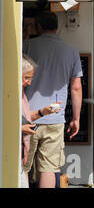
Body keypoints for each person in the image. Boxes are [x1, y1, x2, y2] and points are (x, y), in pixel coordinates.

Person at [23, 11, 83, 188]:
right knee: (48, 168)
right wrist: (76, 118)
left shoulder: (26, 46)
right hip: (54, 118)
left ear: (39, 26)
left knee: (23, 167)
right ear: (56, 27)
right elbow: (76, 87)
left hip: (28, 117)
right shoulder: (71, 51)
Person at [21, 54, 60, 188]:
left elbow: (25, 117)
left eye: (31, 78)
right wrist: (20, 129)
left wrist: (43, 112)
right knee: (47, 167)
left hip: (20, 152)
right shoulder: (10, 94)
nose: (30, 82)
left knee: (24, 171)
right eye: (26, 78)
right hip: (13, 152)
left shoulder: (21, 94)